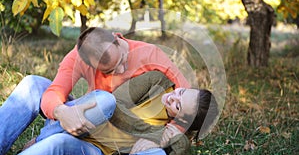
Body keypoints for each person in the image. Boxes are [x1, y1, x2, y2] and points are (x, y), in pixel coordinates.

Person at [0, 71, 219, 155]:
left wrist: (170, 137)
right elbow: (117, 105)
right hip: (81, 118)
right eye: (180, 92)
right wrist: (150, 135)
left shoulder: (170, 133)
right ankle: (37, 141)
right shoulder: (158, 81)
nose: (173, 98)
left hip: (90, 152)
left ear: (182, 120)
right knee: (34, 84)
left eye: (178, 106)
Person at [40, 27, 191, 137]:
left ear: (117, 39)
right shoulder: (80, 57)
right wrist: (62, 112)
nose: (119, 71)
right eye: (108, 71)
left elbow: (188, 97)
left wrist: (167, 134)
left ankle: (43, 141)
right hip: (92, 118)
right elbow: (55, 92)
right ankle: (45, 140)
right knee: (33, 84)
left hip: (127, 127)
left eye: (121, 60)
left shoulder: (150, 54)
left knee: (106, 100)